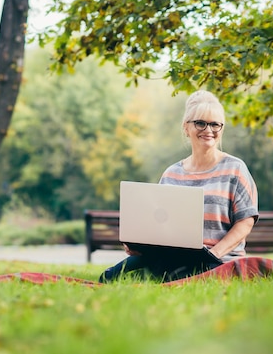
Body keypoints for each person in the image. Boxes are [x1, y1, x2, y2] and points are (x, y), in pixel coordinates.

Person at [99, 90, 259, 282]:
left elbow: (246, 222)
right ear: (186, 128)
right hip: (172, 257)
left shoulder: (235, 168)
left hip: (219, 260)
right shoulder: (171, 173)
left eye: (215, 124)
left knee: (177, 277)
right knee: (111, 277)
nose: (208, 130)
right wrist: (139, 245)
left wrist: (214, 254)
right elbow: (159, 223)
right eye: (200, 123)